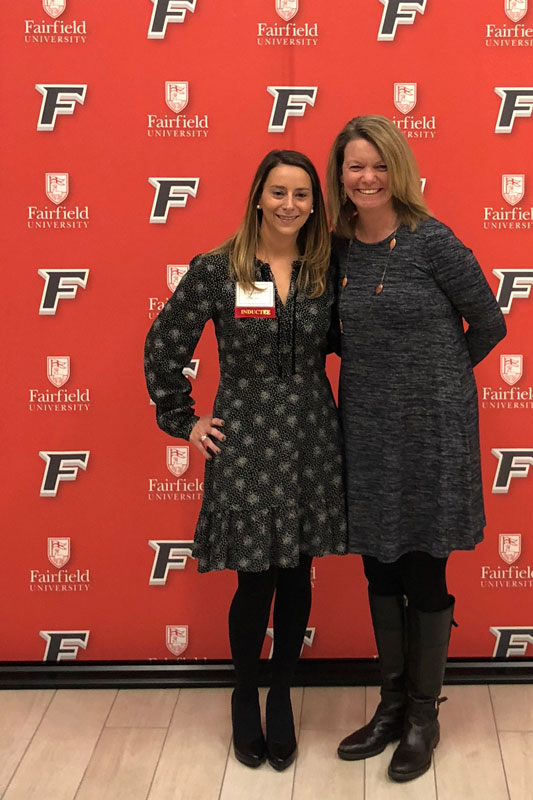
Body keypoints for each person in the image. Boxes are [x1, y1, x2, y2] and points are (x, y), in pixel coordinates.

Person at [144, 150, 347, 771]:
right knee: (255, 577)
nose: (290, 205)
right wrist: (185, 419)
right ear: (258, 195)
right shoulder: (217, 268)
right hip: (248, 438)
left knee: (295, 574)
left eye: (303, 195)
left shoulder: (326, 267)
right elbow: (163, 343)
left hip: (312, 431)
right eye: (279, 192)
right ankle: (244, 695)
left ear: (316, 204)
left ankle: (282, 694)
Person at [326, 116, 506, 782]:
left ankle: (425, 716)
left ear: (397, 168)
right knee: (378, 568)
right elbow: (332, 334)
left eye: (377, 164)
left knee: (425, 572)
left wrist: (438, 382)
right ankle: (392, 706)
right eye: (353, 166)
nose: (366, 177)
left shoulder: (434, 242)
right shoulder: (339, 250)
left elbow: (489, 321)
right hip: (366, 431)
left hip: (433, 434)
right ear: (339, 176)